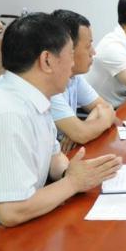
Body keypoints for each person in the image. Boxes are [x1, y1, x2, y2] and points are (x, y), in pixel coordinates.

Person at [0, 13, 122, 251]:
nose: (73, 64)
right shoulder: (8, 112)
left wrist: (69, 171)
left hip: (17, 230)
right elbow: (12, 210)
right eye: (70, 54)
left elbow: (54, 156)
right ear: (47, 60)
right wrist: (73, 182)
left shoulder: (32, 93)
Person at [50, 10, 116, 153]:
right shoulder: (49, 85)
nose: (93, 52)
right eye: (88, 46)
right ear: (67, 48)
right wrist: (82, 130)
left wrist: (85, 126)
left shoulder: (74, 76)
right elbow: (80, 134)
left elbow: (105, 107)